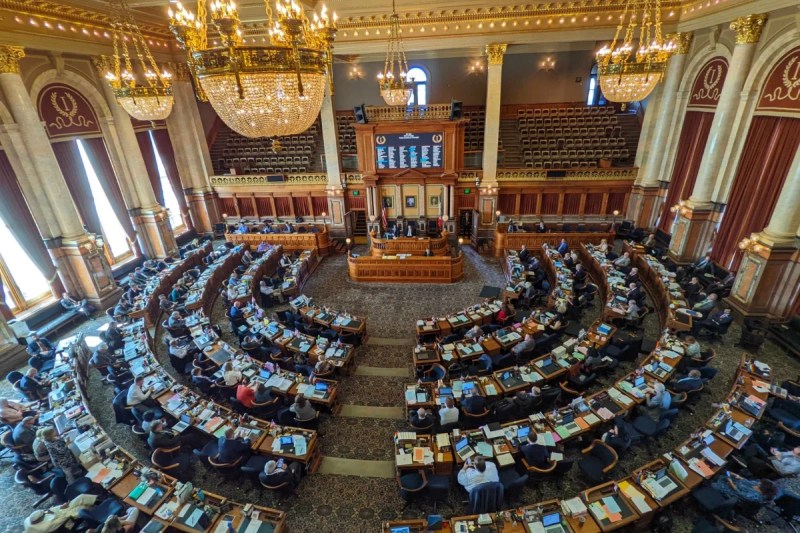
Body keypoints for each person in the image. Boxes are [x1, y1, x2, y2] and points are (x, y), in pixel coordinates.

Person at [24, 494, 99, 533]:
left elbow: (49, 510)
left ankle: (99, 500)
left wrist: (61, 507)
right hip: (65, 523)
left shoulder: (28, 521)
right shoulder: (44, 527)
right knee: (82, 508)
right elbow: (63, 520)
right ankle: (100, 512)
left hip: (61, 513)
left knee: (81, 497)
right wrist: (65, 510)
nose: (44, 513)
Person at [711, 472, 778, 505]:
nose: (759, 483)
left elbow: (738, 493)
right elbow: (747, 481)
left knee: (714, 485)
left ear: (763, 488)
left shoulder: (755, 496)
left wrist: (731, 482)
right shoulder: (757, 484)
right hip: (736, 484)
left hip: (733, 493)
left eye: (761, 483)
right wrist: (738, 476)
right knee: (723, 473)